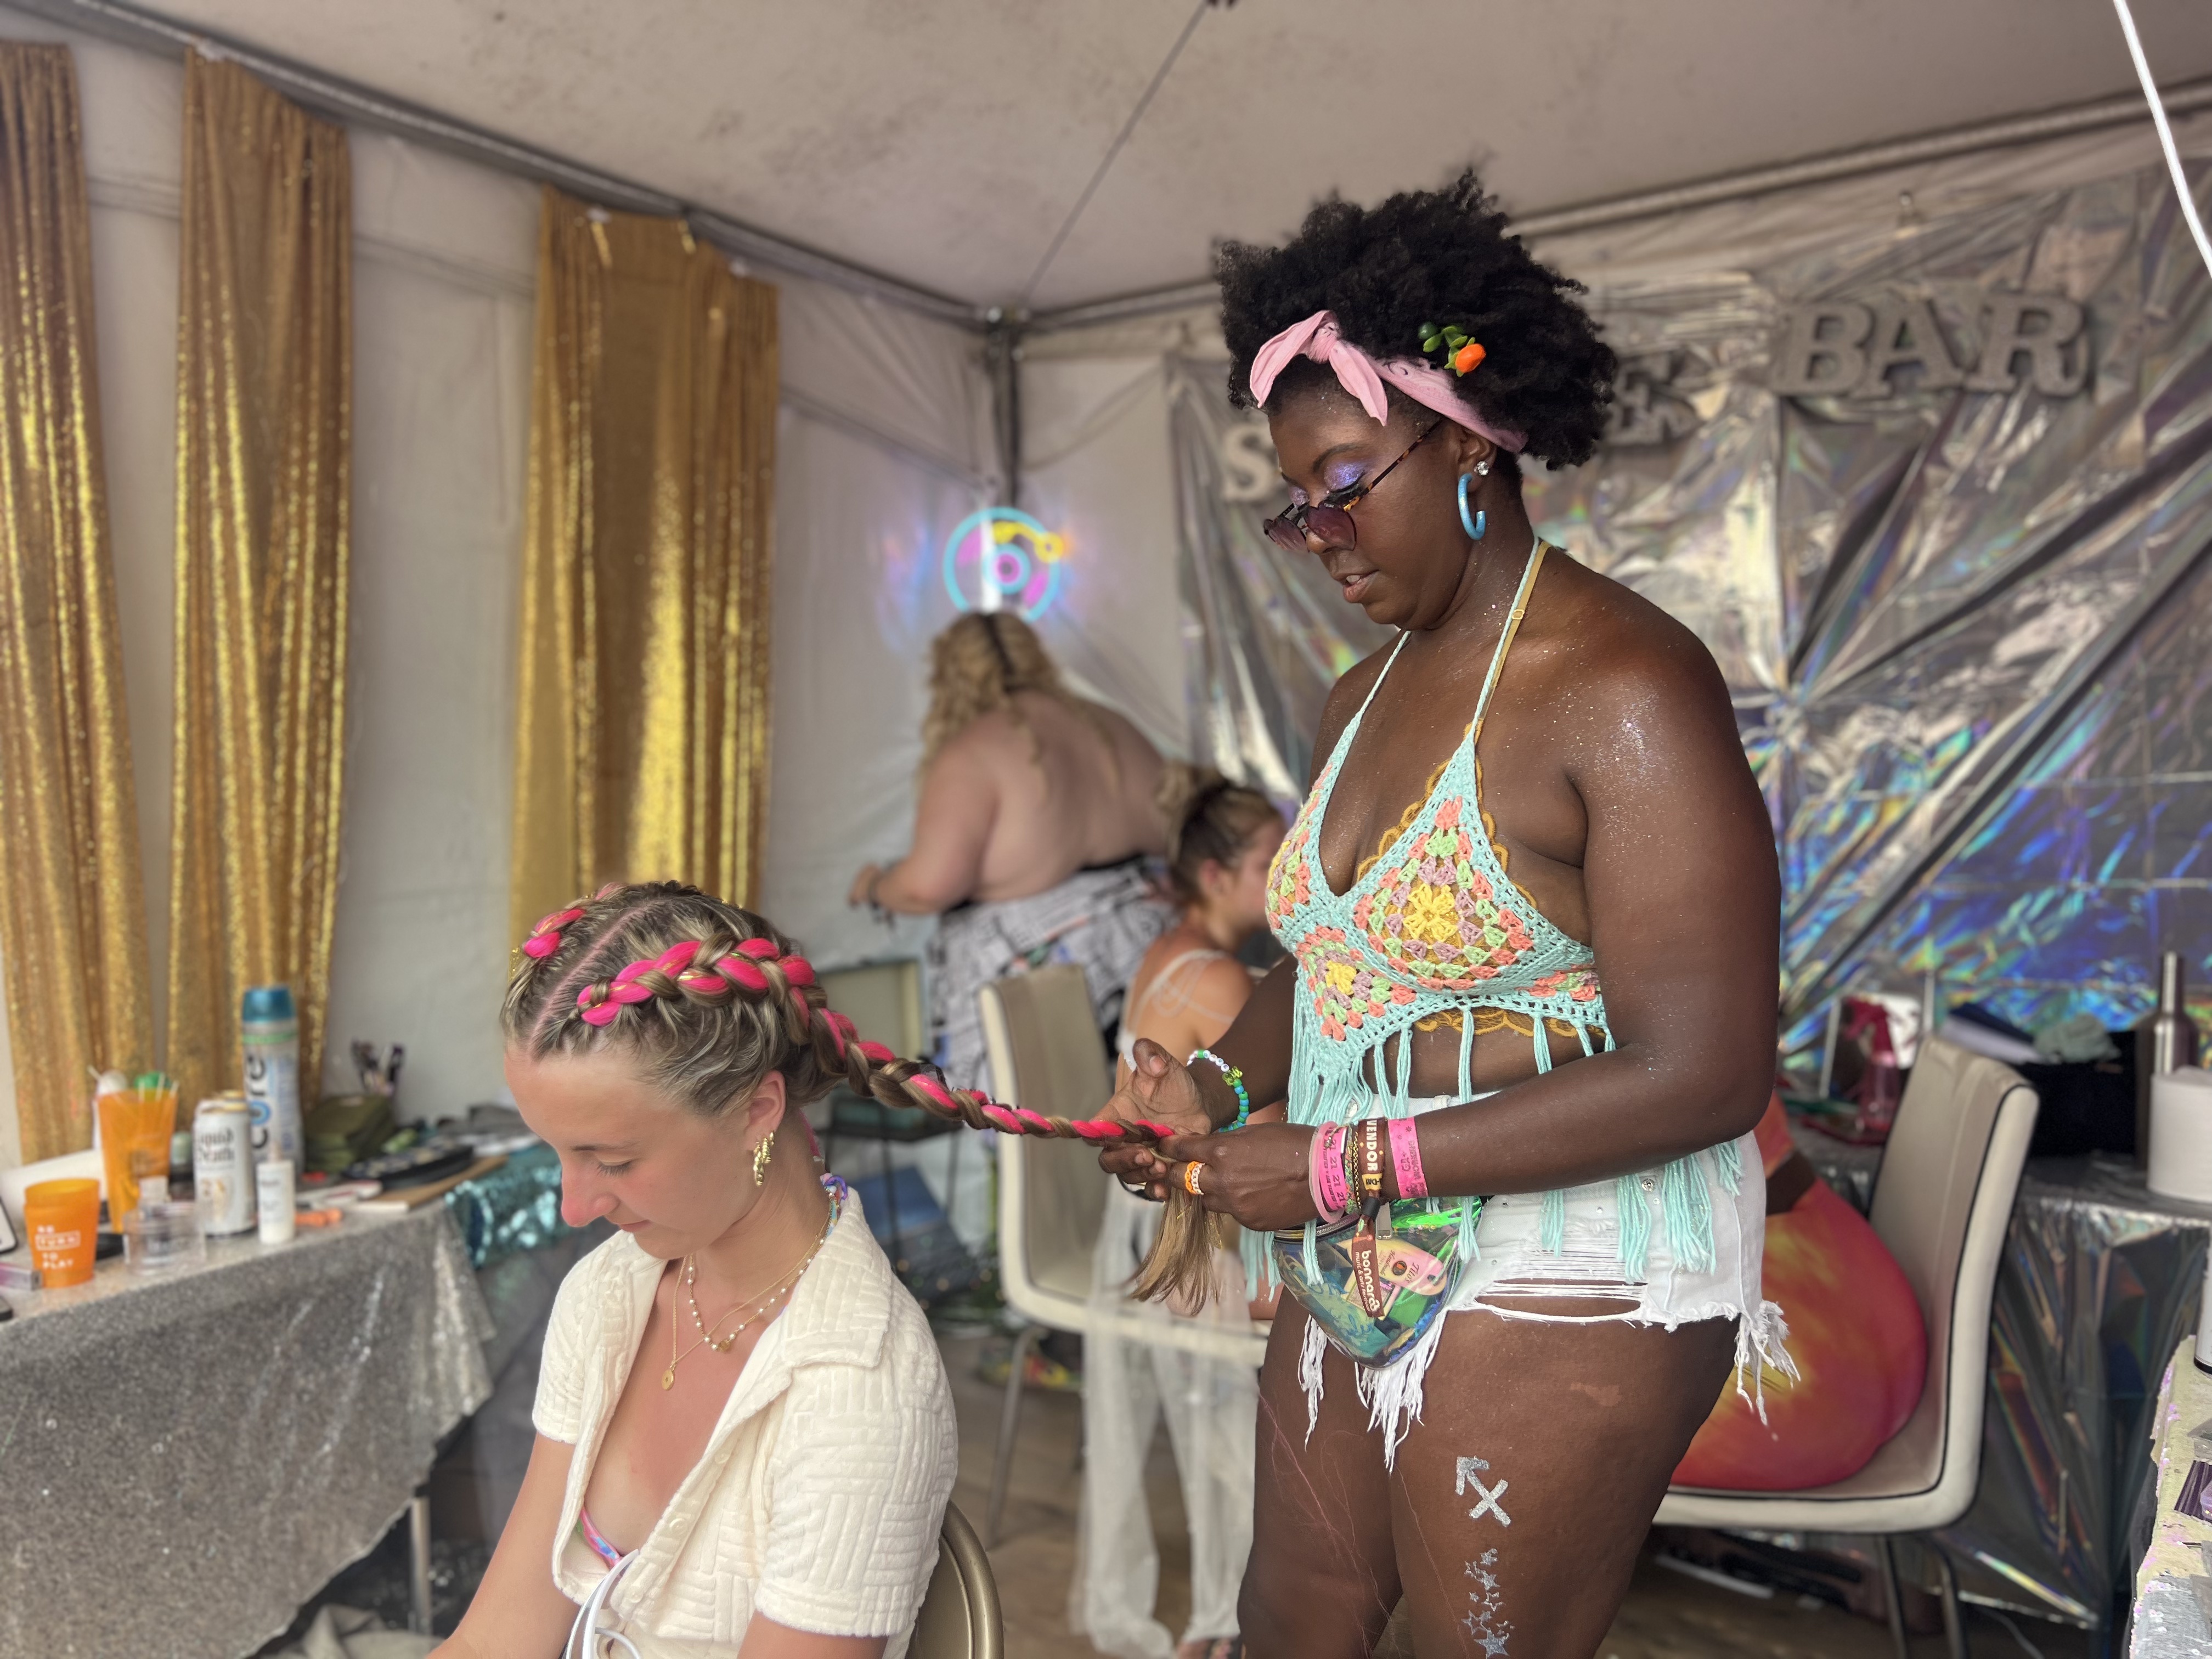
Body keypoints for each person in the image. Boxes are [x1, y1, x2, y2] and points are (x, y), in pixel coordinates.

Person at [1100, 174, 1788, 1659]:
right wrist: (1211, 1092)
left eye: (1346, 483)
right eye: (1298, 506)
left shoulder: (1624, 690)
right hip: (1374, 1220)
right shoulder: (1363, 695)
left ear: (1469, 436)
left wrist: (1341, 1162)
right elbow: (1336, 960)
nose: (1324, 535)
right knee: (1293, 1615)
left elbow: (1709, 1070)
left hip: (1576, 1249)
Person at [435, 883, 958, 1659]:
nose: (572, 1207)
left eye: (612, 1160)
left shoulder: (858, 1388)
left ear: (757, 1108)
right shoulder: (610, 1292)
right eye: (557, 1153)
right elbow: (498, 1640)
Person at [1075, 769, 1286, 1659]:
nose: (1291, 876)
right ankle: (1231, 1619)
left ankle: (1238, 1610)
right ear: (1216, 874)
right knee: (1252, 1413)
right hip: (1191, 1237)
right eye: (1273, 861)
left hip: (1140, 1222)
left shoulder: (1168, 948)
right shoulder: (1222, 981)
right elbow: (1268, 1156)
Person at [850, 612, 1173, 1093]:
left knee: (1046, 1152)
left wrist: (875, 887)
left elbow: (927, 885)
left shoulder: (974, 751)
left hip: (1042, 1003)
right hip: (1152, 972)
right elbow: (1178, 829)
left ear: (949, 678)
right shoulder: (1113, 729)